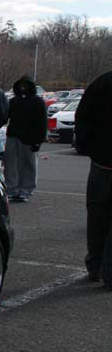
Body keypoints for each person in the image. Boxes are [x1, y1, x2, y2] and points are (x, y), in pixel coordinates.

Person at [75, 70, 112, 288]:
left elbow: (82, 116)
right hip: (101, 160)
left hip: (100, 162)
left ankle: (95, 266)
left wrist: (87, 147)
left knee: (97, 216)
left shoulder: (100, 84)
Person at [5, 75, 47, 203]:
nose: (23, 88)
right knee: (11, 165)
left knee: (29, 165)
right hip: (13, 136)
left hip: (30, 138)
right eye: (21, 85)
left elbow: (42, 123)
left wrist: (38, 141)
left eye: (26, 85)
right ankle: (12, 190)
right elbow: (5, 117)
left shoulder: (38, 102)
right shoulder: (14, 101)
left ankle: (25, 190)